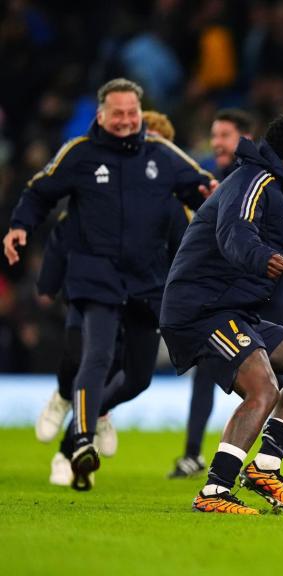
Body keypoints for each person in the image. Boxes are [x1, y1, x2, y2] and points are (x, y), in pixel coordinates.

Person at [4, 79, 216, 491]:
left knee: (137, 378)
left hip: (146, 281)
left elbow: (201, 183)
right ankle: (82, 439)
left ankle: (82, 423)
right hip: (95, 276)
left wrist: (211, 193)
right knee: (96, 355)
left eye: (131, 113)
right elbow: (39, 191)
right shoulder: (80, 154)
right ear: (101, 115)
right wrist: (18, 227)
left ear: (140, 112)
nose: (125, 121)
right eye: (116, 113)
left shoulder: (162, 155)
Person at [160, 112, 283, 514]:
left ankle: (266, 466)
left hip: (232, 308)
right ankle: (214, 491)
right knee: (263, 388)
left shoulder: (278, 192)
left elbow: (274, 255)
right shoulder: (252, 181)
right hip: (200, 307)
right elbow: (236, 236)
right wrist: (264, 257)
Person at [37, 109, 183, 486]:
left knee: (135, 378)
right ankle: (71, 433)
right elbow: (61, 235)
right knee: (83, 356)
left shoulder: (169, 199)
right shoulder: (99, 190)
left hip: (142, 296)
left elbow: (181, 249)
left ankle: (90, 420)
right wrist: (48, 285)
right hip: (94, 287)